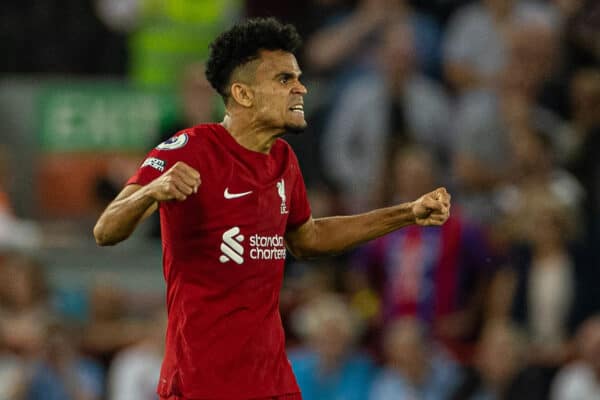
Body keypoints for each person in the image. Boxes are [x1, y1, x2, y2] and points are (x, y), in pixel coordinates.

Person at [93, 17, 451, 400]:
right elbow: (106, 229)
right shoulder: (190, 148)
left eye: (297, 77)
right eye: (284, 79)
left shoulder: (283, 160)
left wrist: (406, 213)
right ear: (244, 94)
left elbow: (309, 238)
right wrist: (153, 192)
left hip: (271, 382)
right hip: (202, 383)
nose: (300, 88)